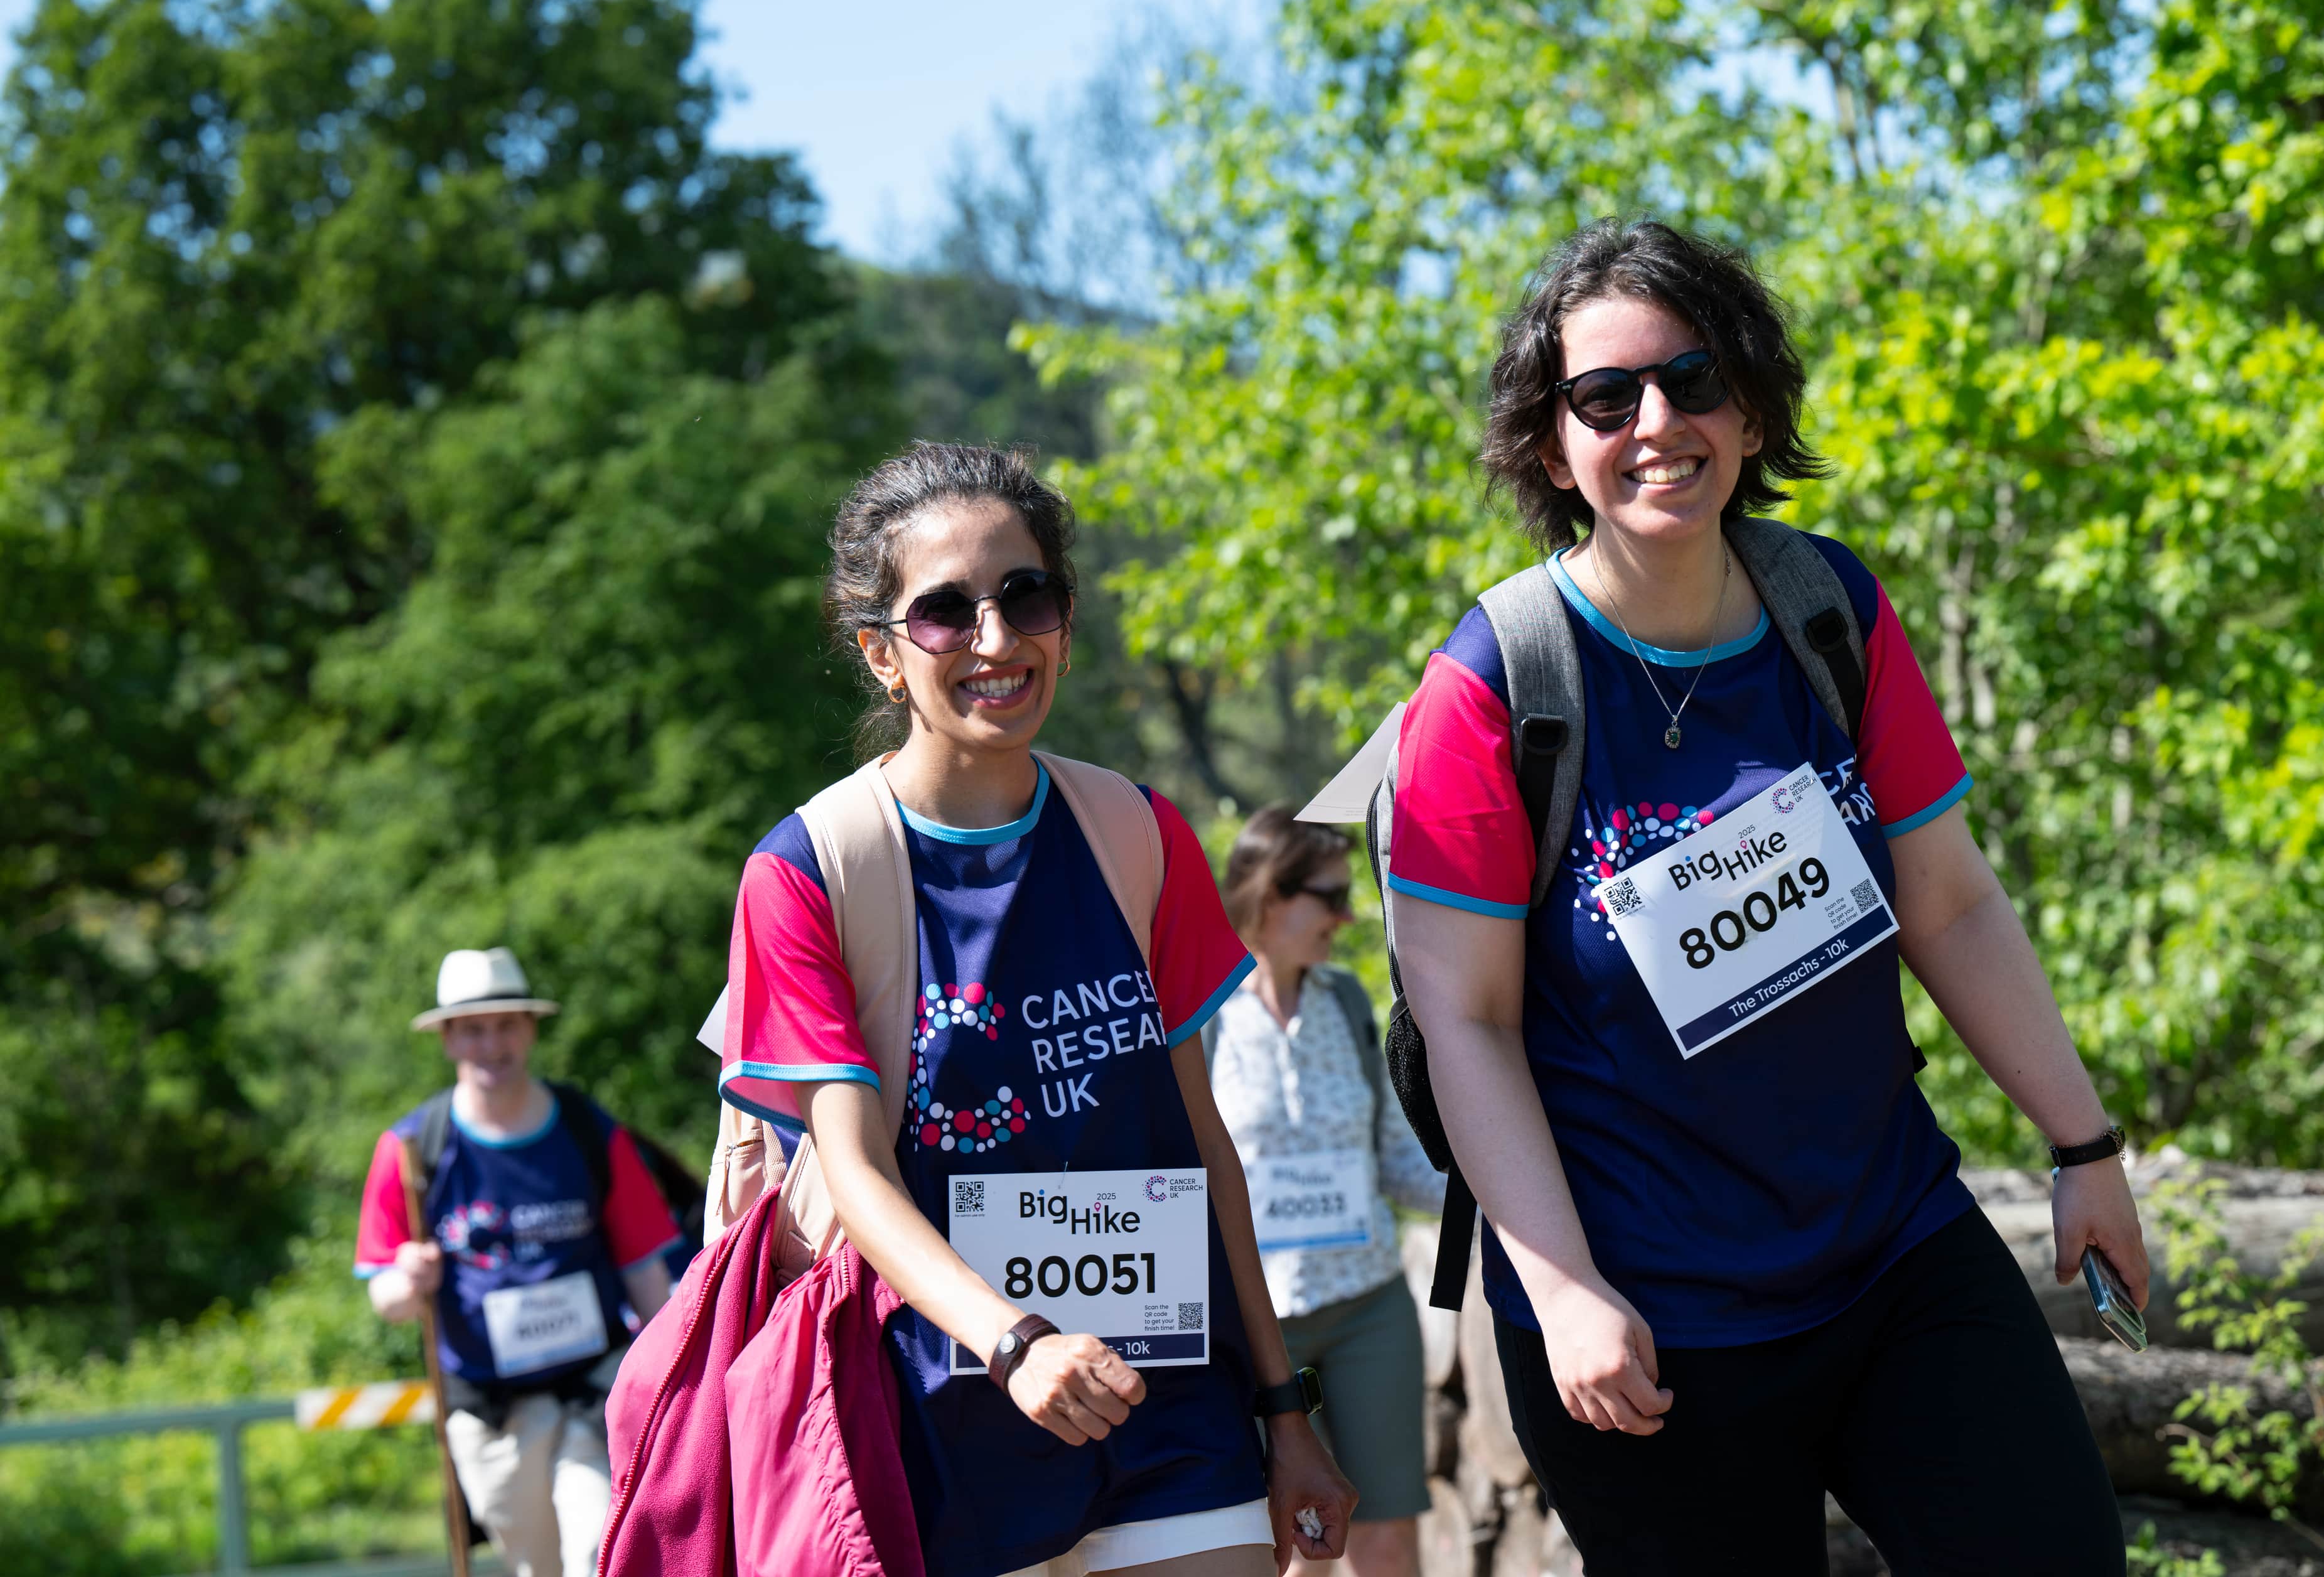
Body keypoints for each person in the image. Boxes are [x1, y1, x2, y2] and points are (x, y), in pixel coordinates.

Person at [1384, 220, 2149, 1574]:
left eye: (1694, 379)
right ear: (1552, 443)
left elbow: (1953, 904)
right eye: (1605, 397)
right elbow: (1469, 1023)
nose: (1656, 421)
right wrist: (1565, 1292)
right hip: (1644, 1314)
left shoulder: (1829, 607)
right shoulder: (1493, 686)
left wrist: (2083, 1143)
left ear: (1751, 411)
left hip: (1893, 1247)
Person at [714, 443, 1355, 1577]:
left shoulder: (1143, 836)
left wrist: (1284, 1410)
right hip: (938, 1432)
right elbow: (854, 1169)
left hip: (1173, 1418)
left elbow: (1202, 1142)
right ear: (881, 653)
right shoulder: (807, 870)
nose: (997, 641)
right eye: (945, 613)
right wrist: (1017, 1342)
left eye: (1026, 597)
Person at [356, 946, 682, 1577]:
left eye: (507, 1024)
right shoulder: (411, 1150)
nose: (492, 1043)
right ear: (448, 1039)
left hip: (595, 1391)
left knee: (597, 1551)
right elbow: (386, 1296)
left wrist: (676, 1375)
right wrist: (410, 1279)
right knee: (538, 1567)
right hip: (492, 1414)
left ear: (531, 1029)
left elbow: (646, 1269)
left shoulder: (589, 1131)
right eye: (474, 1028)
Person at [1208, 807, 1444, 1577]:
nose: (1347, 916)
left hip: (1370, 1309)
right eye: (1330, 896)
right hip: (1255, 1329)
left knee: (1386, 1541)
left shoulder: (1346, 1000)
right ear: (1270, 895)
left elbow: (1397, 1161)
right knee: (1288, 1550)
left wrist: (1509, 1200)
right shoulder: (1198, 1015)